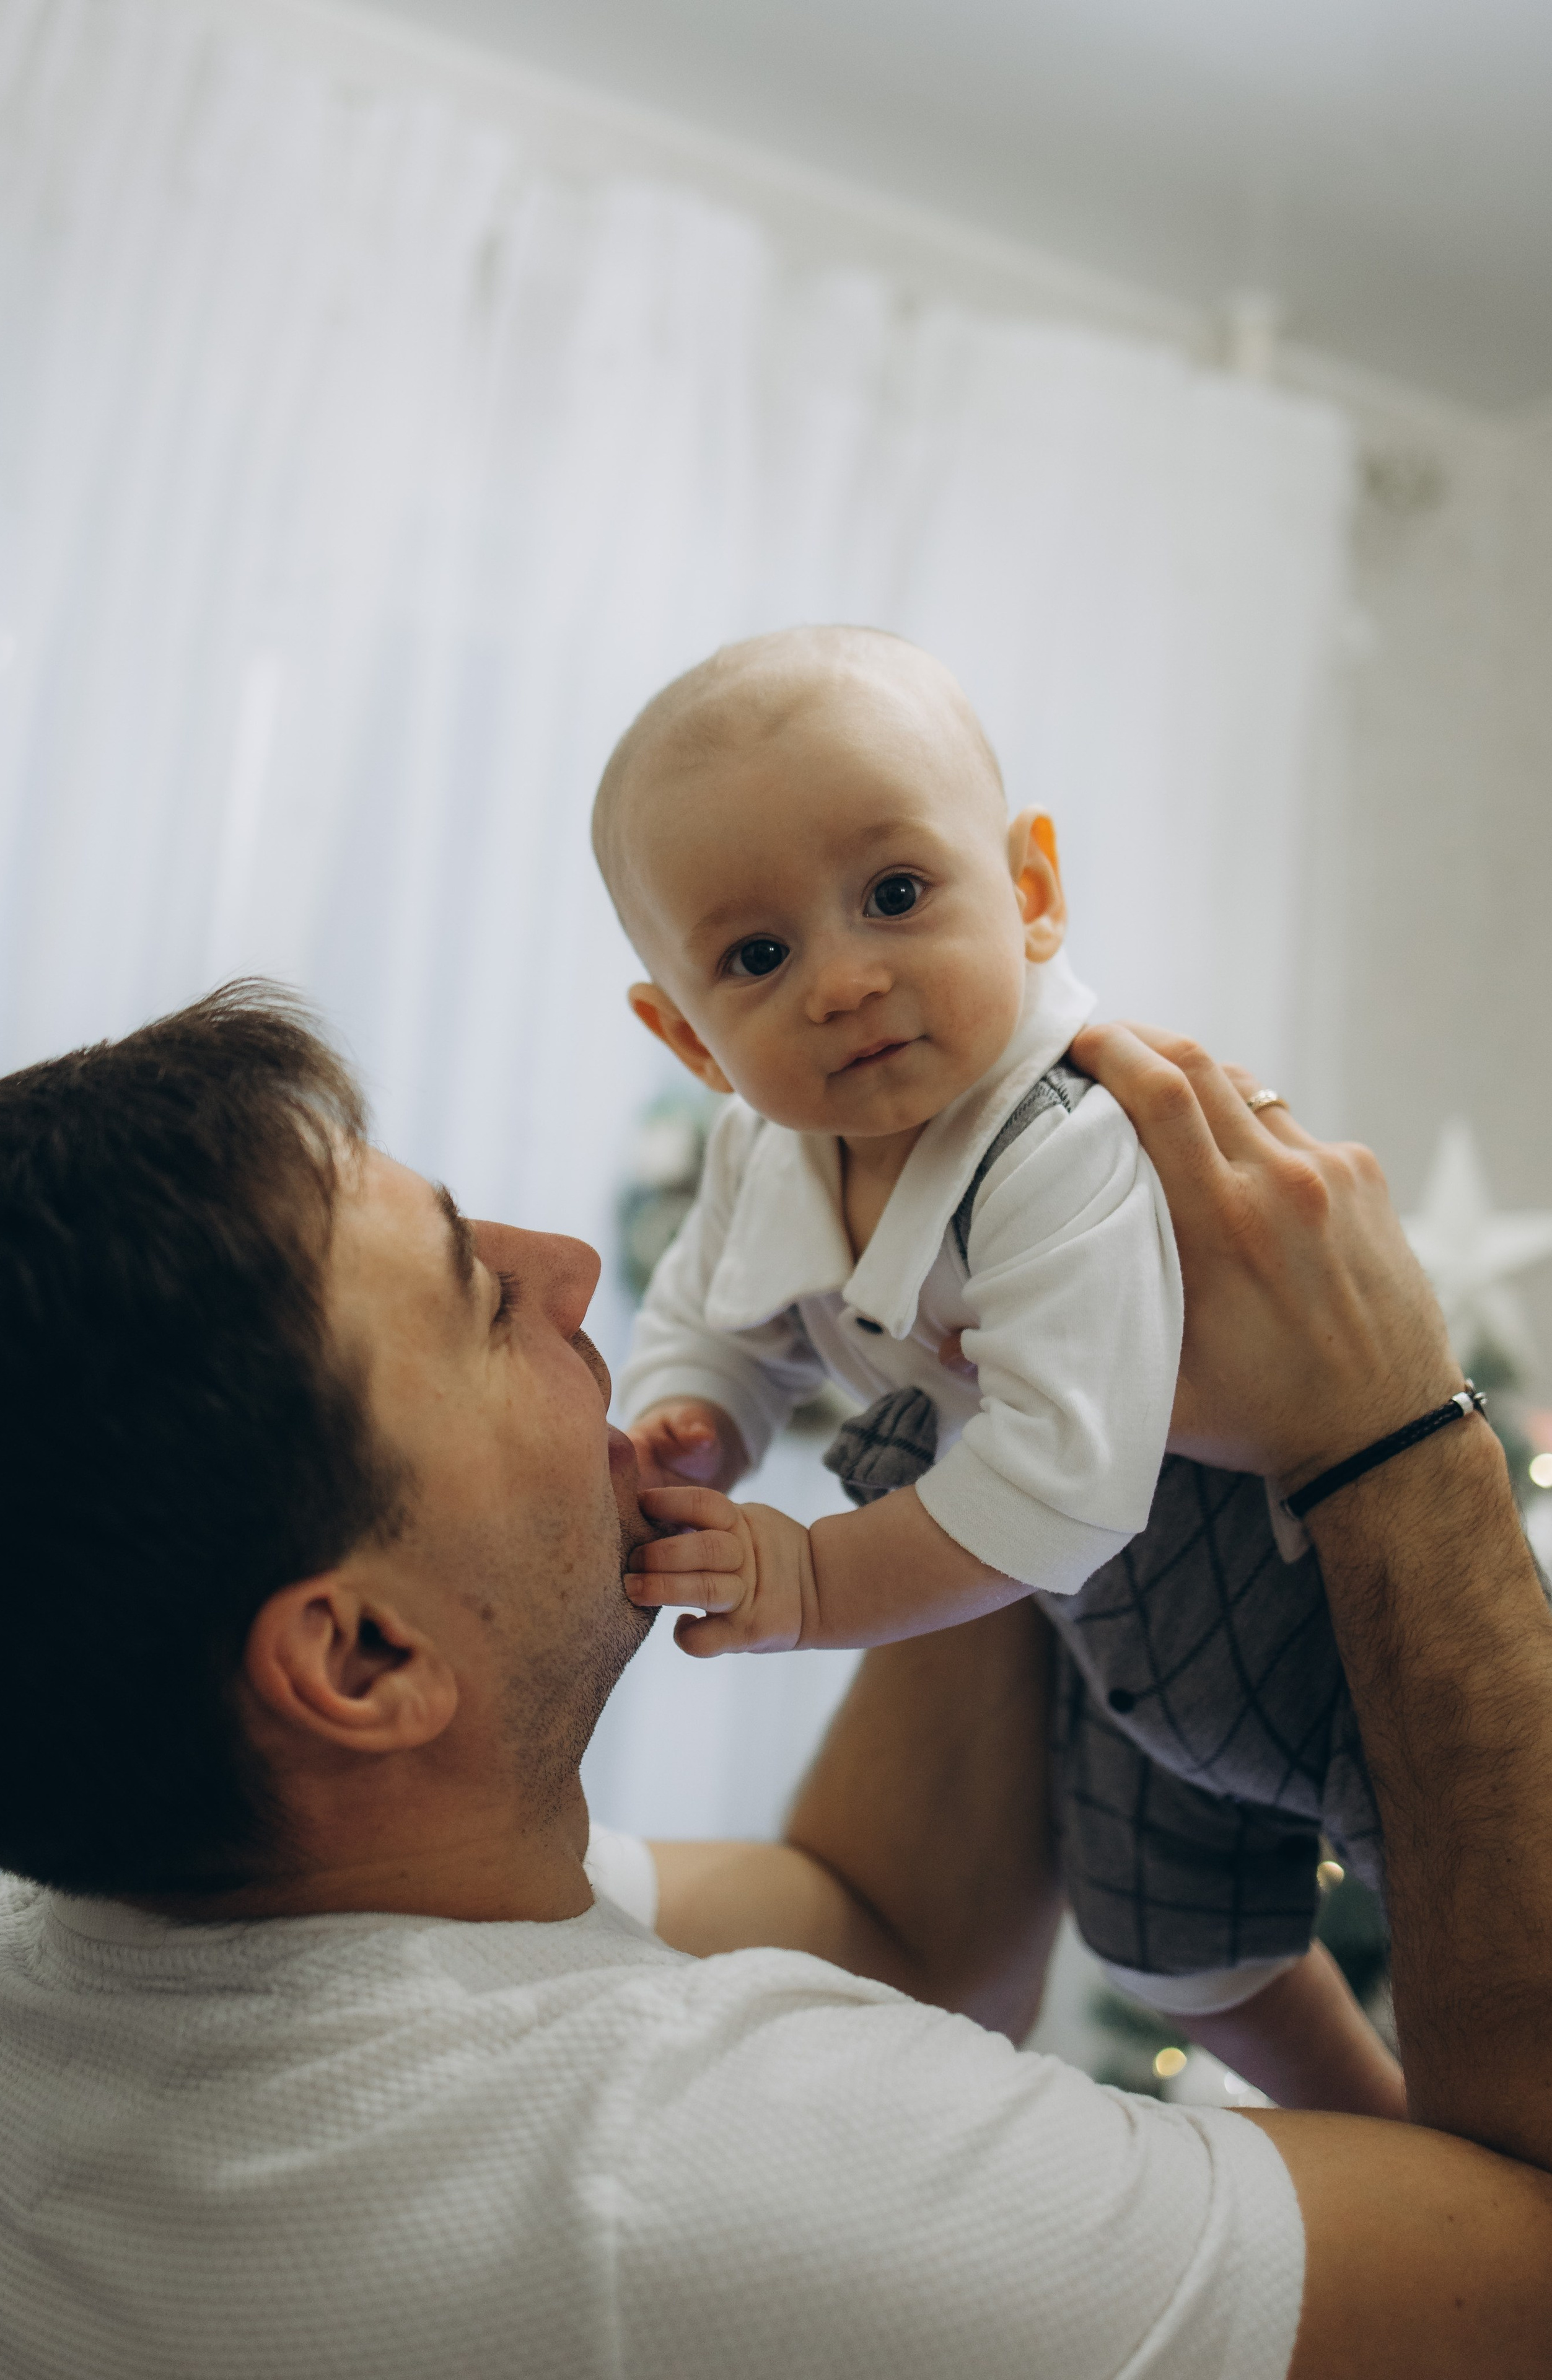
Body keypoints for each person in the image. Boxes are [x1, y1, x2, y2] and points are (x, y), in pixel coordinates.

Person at [0, 986, 1551, 2379]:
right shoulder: (686, 2181)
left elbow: (892, 1926)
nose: (573, 1268)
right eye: (479, 1297)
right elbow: (1524, 2280)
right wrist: (1392, 1426)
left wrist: (1005, 1330)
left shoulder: (72, 1963)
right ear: (363, 1658)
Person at [593, 623, 1399, 2115]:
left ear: (1027, 891)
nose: (843, 981)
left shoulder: (1058, 1141)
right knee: (1171, 1953)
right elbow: (712, 1316)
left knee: (1470, 1878)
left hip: (1304, 1597)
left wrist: (810, 1579)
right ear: (687, 1037)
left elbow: (1057, 1483)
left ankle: (1498, 2170)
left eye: (895, 894)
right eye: (757, 956)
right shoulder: (761, 1146)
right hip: (1107, 1640)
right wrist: (688, 1422)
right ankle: (1385, 2125)